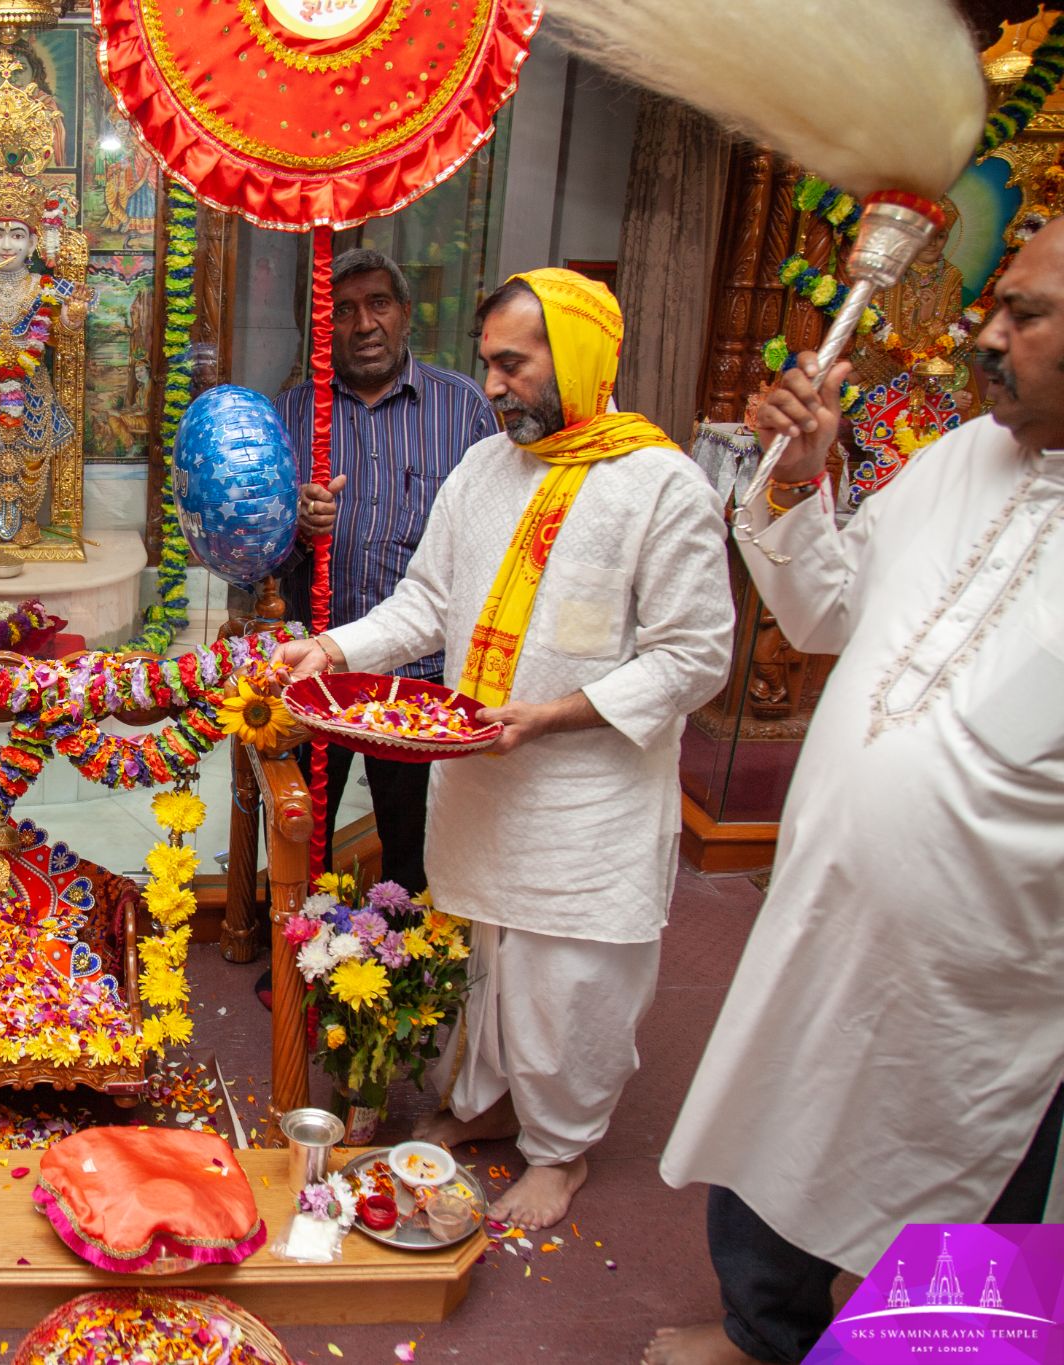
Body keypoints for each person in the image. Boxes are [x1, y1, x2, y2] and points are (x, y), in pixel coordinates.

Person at [644, 222, 1064, 1365]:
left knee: (968, 1197)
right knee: (780, 1112)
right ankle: (760, 1333)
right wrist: (803, 476)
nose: (983, 334)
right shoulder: (958, 457)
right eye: (992, 304)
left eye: (1023, 314)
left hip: (988, 990)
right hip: (826, 916)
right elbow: (823, 610)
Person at [275, 268, 733, 1230]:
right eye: (486, 365)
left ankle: (560, 1151)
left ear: (581, 358)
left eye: (513, 365)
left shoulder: (659, 485)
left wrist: (553, 715)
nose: (490, 386)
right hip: (484, 780)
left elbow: (695, 657)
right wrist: (333, 646)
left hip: (586, 796)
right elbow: (427, 602)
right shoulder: (484, 470)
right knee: (487, 961)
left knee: (571, 978)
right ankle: (481, 1105)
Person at [274, 247, 499, 896]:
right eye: (343, 310)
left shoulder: (464, 411)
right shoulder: (291, 415)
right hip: (317, 674)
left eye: (378, 304)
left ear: (406, 315)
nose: (363, 323)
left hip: (419, 677)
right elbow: (252, 562)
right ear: (324, 327)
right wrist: (298, 526)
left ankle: (396, 983)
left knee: (416, 851)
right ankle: (296, 970)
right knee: (297, 835)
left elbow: (487, 546)